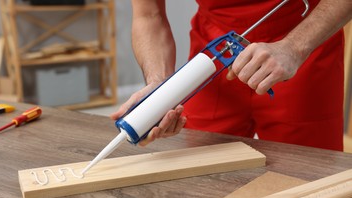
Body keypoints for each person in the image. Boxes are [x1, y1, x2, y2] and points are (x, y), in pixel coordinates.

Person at [111, 0, 352, 151]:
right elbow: (148, 14)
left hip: (299, 49)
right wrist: (160, 87)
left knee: (309, 178)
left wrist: (295, 47)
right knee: (201, 170)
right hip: (214, 57)